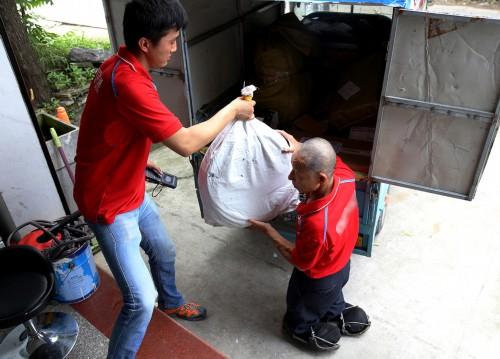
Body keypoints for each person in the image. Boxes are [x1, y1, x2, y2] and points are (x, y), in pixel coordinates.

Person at [73, 0, 255, 358]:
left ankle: (171, 303)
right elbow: (186, 144)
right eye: (171, 41)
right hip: (108, 204)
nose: (176, 47)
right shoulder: (128, 82)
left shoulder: (121, 63)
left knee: (163, 250)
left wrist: (137, 161)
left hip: (129, 186)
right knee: (140, 302)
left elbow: (120, 129)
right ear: (145, 43)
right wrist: (233, 109)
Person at [249, 135, 370, 351]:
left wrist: (269, 231)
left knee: (302, 305)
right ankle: (336, 312)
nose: (290, 177)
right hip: (341, 264)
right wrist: (298, 146)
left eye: (298, 175)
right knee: (332, 295)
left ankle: (300, 329)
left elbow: (301, 263)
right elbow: (329, 158)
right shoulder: (345, 176)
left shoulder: (317, 224)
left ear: (321, 179)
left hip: (318, 280)